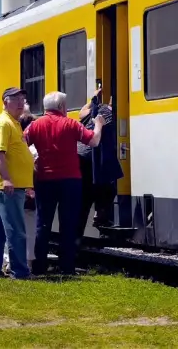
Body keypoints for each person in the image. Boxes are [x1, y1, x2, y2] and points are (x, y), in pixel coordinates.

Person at [25, 91, 105, 276]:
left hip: (44, 180)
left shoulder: (34, 125)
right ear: (61, 107)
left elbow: (21, 145)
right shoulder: (71, 124)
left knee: (42, 224)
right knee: (68, 224)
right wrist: (99, 125)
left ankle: (39, 267)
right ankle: (66, 267)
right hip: (70, 180)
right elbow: (93, 141)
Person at [0, 87, 33, 279]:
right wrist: (6, 179)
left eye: (23, 98)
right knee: (16, 230)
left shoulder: (14, 123)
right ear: (5, 101)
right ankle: (20, 271)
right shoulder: (3, 124)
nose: (21, 102)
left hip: (12, 185)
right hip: (9, 187)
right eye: (16, 99)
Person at [76, 91, 124, 243]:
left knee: (84, 201)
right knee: (108, 189)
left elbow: (81, 112)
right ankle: (100, 216)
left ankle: (76, 239)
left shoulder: (92, 112)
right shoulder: (110, 113)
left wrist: (93, 98)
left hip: (80, 157)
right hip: (93, 160)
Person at [17, 107, 38, 271]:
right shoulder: (32, 150)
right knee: (30, 228)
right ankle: (28, 262)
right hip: (28, 192)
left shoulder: (17, 147)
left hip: (17, 191)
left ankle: (15, 260)